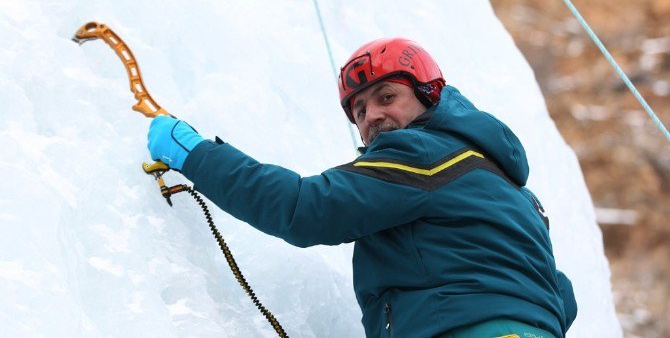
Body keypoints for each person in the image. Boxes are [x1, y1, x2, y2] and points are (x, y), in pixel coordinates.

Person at [147, 38, 577, 337]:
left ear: (429, 96)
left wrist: (196, 155)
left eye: (387, 97)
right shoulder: (516, 192)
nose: (371, 115)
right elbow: (561, 294)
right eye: (359, 109)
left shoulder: (422, 155)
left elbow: (303, 208)